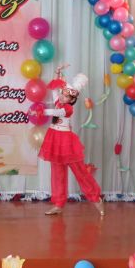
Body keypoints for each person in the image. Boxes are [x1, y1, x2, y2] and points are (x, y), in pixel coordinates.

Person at [35, 65, 104, 216]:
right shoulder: (59, 101)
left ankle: (96, 198)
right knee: (57, 173)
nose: (62, 97)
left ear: (72, 100)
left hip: (66, 141)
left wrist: (42, 111)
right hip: (54, 138)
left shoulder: (67, 109)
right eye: (62, 94)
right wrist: (57, 73)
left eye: (66, 96)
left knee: (80, 172)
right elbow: (54, 90)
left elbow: (55, 112)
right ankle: (58, 204)